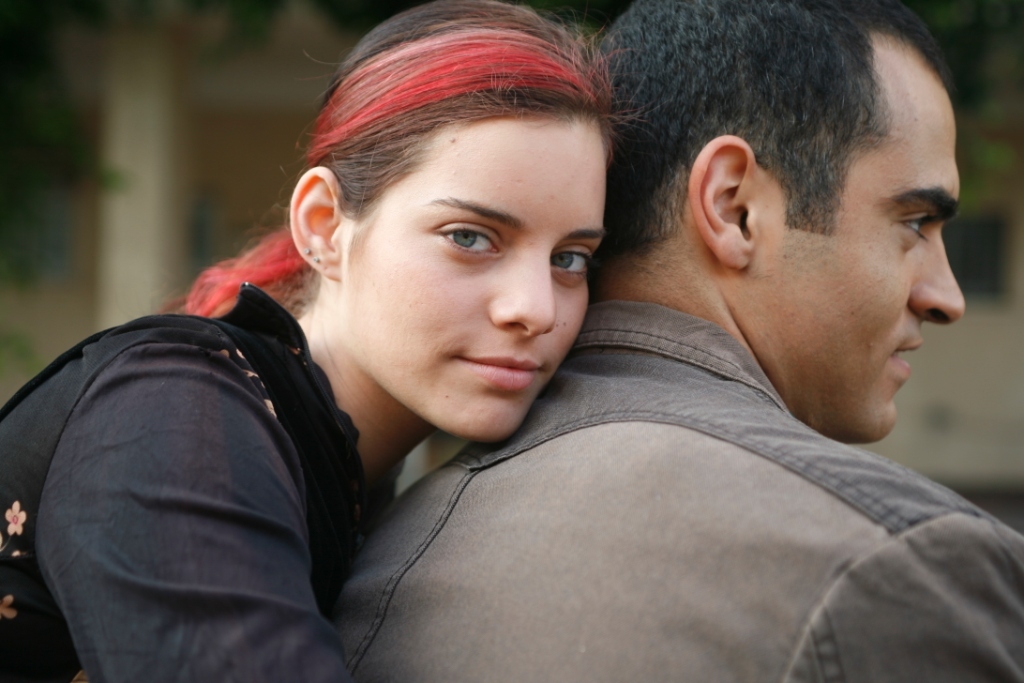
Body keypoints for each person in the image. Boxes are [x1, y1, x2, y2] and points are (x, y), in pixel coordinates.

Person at [334, 0, 1024, 680]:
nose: (946, 296)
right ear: (734, 208)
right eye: (915, 222)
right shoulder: (899, 563)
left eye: (566, 255)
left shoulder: (364, 547)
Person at [0, 2, 612, 680]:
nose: (534, 308)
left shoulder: (349, 476)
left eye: (571, 258)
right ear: (323, 226)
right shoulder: (177, 411)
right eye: (469, 237)